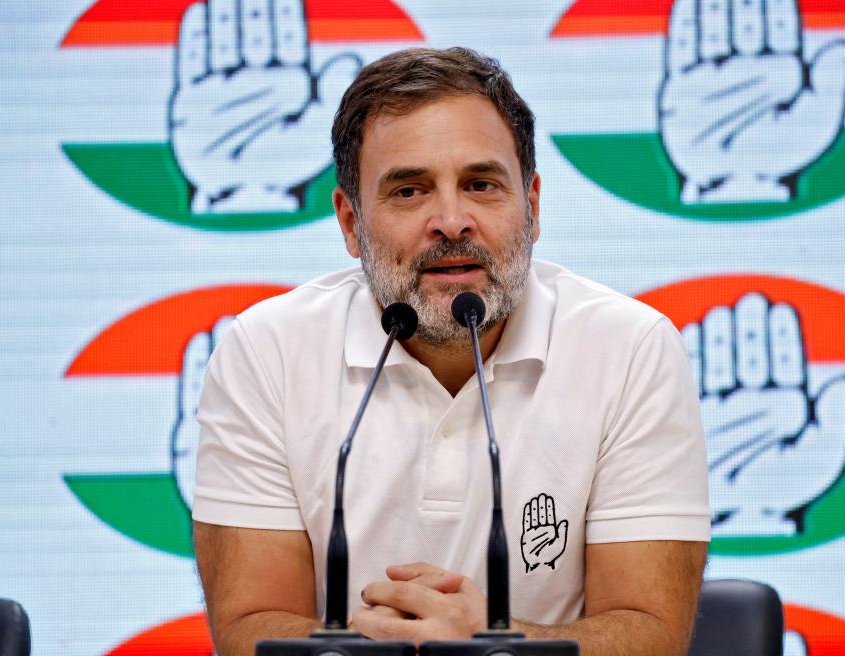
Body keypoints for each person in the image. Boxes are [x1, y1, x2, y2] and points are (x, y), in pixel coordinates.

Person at [192, 47, 710, 656]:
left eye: (481, 184)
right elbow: (249, 627)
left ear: (533, 206)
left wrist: (492, 646)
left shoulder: (630, 349)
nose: (451, 220)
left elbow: (651, 636)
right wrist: (402, 644)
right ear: (351, 223)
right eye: (409, 191)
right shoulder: (267, 351)